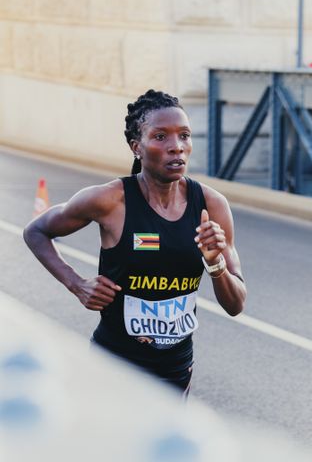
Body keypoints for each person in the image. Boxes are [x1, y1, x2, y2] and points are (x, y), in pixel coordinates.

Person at [23, 89, 246, 396]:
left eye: (184, 136)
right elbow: (36, 231)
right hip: (113, 365)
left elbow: (236, 305)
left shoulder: (211, 205)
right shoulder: (109, 200)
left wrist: (215, 263)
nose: (176, 147)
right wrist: (76, 284)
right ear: (136, 146)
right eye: (161, 137)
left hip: (175, 369)